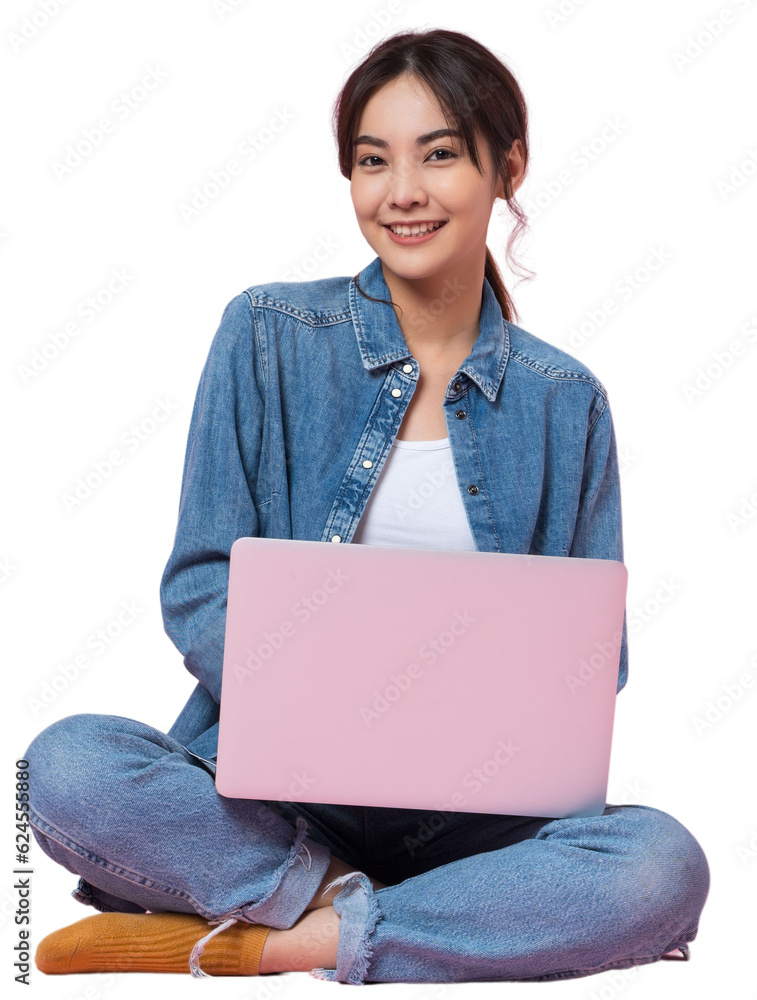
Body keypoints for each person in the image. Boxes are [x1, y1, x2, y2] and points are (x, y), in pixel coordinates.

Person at [23, 28, 710, 984]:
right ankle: (371, 910)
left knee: (661, 865)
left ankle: (273, 937)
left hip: (478, 820)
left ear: (506, 164)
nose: (402, 194)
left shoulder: (565, 400)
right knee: (66, 765)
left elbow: (591, 660)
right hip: (280, 801)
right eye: (370, 161)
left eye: (438, 155)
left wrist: (454, 727)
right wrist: (346, 709)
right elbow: (199, 584)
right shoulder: (267, 335)